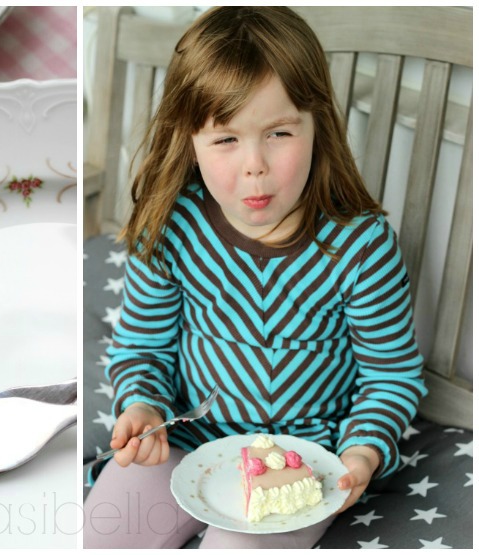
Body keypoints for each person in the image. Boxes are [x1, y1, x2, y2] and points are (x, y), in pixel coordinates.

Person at [83, 6, 427, 549]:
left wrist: (362, 451)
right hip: (185, 443)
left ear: (318, 126)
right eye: (225, 140)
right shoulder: (172, 224)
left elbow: (392, 376)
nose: (255, 165)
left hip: (301, 464)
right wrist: (142, 405)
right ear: (189, 140)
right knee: (101, 536)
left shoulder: (359, 246)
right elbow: (142, 349)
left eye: (279, 133)